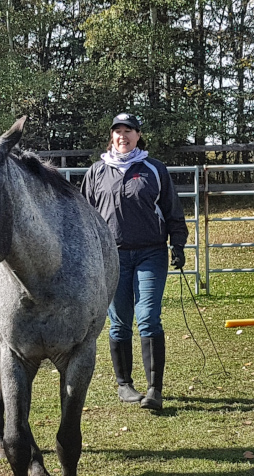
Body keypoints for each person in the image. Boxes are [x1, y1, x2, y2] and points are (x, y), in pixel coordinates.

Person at [81, 112, 188, 411]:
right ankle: (124, 385)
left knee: (149, 317)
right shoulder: (96, 172)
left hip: (150, 253)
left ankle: (155, 388)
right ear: (111, 136)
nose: (123, 136)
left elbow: (171, 209)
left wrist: (177, 242)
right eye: (118, 131)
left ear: (139, 135)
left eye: (129, 131)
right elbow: (85, 218)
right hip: (111, 257)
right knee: (119, 323)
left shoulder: (154, 169)